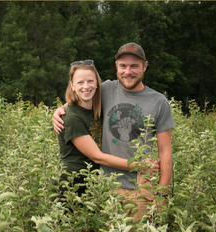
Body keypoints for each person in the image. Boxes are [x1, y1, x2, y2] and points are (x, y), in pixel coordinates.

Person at [53, 43, 175, 221]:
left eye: (134, 66)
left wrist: (162, 194)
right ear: (116, 66)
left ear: (144, 66)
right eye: (123, 66)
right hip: (105, 186)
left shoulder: (158, 101)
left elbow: (165, 151)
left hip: (141, 186)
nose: (128, 71)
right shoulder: (107, 89)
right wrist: (60, 110)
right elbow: (81, 96)